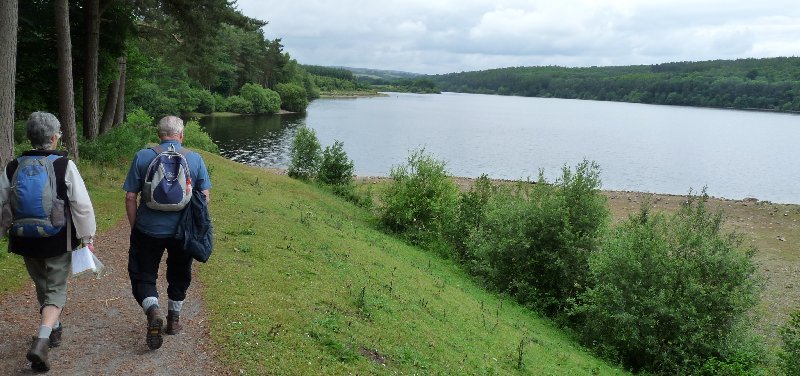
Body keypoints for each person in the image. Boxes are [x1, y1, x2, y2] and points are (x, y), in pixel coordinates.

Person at [0, 112, 96, 372]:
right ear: (54, 138)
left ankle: (54, 329)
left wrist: (3, 232)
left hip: (23, 239)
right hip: (57, 237)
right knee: (55, 288)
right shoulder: (64, 165)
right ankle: (42, 339)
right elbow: (82, 206)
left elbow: (2, 203)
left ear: (30, 137)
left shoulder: (13, 165)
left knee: (41, 283)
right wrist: (87, 237)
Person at [123, 116, 211, 350]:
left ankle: (153, 311)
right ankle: (173, 320)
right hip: (183, 232)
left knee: (143, 274)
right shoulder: (194, 158)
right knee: (180, 272)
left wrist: (135, 226)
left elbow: (130, 197)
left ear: (159, 134)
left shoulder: (143, 156)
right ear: (181, 135)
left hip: (148, 229)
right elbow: (204, 198)